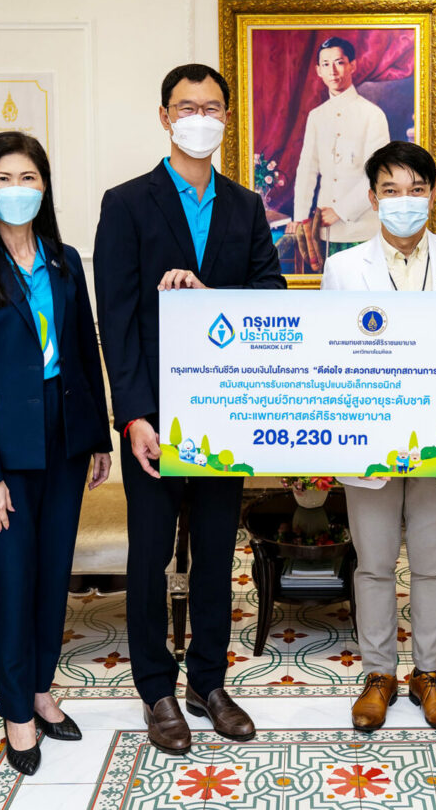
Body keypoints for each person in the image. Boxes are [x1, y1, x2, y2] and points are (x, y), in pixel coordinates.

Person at [94, 63, 285, 755]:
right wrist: (133, 416)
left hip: (221, 416)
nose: (199, 118)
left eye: (211, 107)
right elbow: (116, 318)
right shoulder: (126, 203)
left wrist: (208, 295)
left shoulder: (245, 205)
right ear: (164, 116)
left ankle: (208, 681)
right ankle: (157, 689)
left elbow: (270, 296)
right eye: (186, 107)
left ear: (227, 119)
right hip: (153, 419)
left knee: (213, 559)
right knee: (149, 560)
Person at [0, 132, 113, 776]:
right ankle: (16, 712)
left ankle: (40, 689)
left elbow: (84, 351)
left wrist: (98, 437)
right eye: (4, 179)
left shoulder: (63, 260)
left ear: (45, 186)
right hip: (4, 454)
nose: (18, 189)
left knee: (51, 576)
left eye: (29, 177)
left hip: (65, 442)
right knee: (12, 583)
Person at [321, 140, 436, 733]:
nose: (405, 201)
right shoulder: (344, 267)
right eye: (392, 190)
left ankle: (428, 674)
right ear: (374, 199)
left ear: (432, 195)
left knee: (431, 565)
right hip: (369, 435)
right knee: (373, 565)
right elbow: (326, 347)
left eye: (416, 190)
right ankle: (379, 674)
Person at [292, 36, 391, 272]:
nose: (333, 71)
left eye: (339, 62)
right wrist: (300, 217)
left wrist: (341, 210)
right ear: (318, 70)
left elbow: (378, 174)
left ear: (352, 65)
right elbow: (307, 169)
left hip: (362, 228)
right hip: (325, 230)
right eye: (326, 64)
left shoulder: (373, 115)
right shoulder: (316, 116)